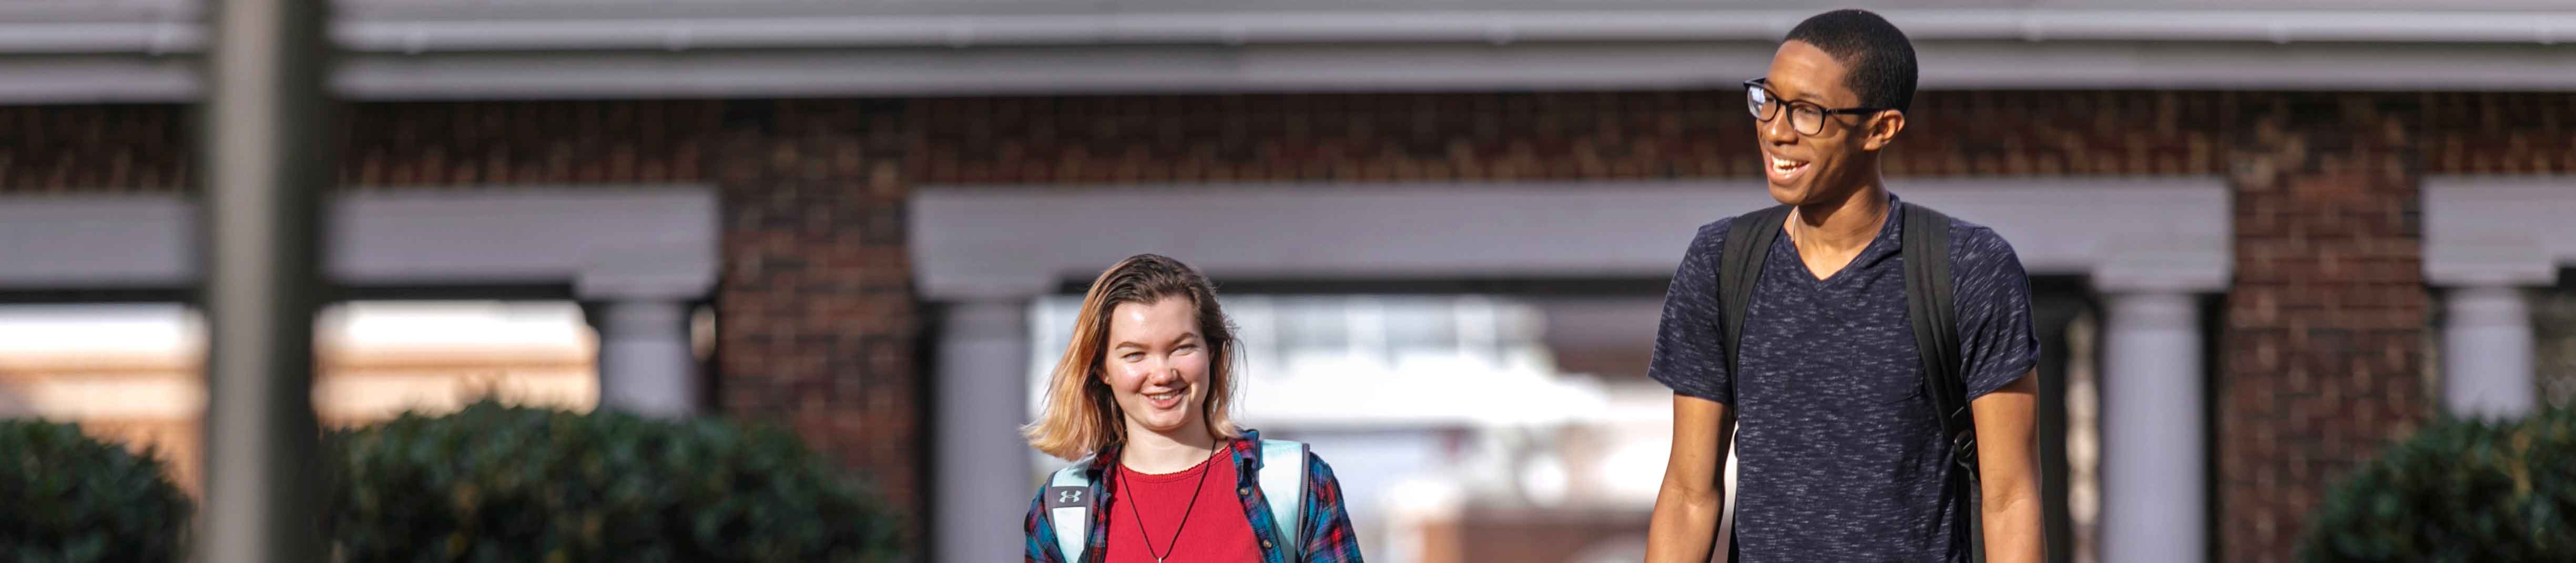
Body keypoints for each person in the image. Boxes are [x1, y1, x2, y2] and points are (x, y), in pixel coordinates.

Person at [1642, 9, 2044, 563]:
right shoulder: (1720, 263)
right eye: (1768, 99)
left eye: (1808, 112)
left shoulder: (1968, 268)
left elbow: (2011, 497)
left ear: (1882, 129)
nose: (1776, 129)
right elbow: (1690, 492)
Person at [1022, 254, 1366, 563]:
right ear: (1101, 369)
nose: (1162, 374)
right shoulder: (1063, 510)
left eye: (1181, 348)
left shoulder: (1298, 482)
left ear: (1212, 351)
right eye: (1134, 354)